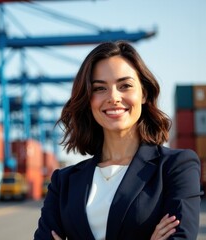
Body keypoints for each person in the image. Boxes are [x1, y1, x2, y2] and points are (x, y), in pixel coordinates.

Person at [34, 41, 203, 240]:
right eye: (99, 88)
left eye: (125, 86)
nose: (113, 97)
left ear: (144, 94)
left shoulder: (176, 167)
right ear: (88, 100)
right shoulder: (63, 182)